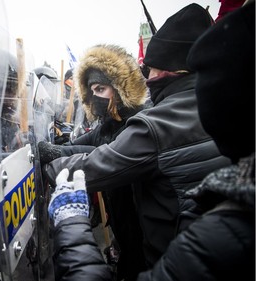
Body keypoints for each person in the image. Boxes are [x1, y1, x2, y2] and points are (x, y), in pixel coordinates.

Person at [48, 1, 255, 280]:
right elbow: (99, 142)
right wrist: (53, 149)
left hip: (164, 257)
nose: (149, 78)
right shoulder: (201, 113)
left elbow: (99, 162)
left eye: (152, 70)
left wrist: (67, 213)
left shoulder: (155, 122)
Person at [39, 43, 148, 280]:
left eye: (101, 88)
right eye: (92, 90)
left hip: (146, 236)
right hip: (122, 228)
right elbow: (74, 147)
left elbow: (103, 153)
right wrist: (44, 150)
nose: (95, 96)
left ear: (120, 89)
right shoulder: (106, 125)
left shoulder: (140, 122)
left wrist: (56, 157)